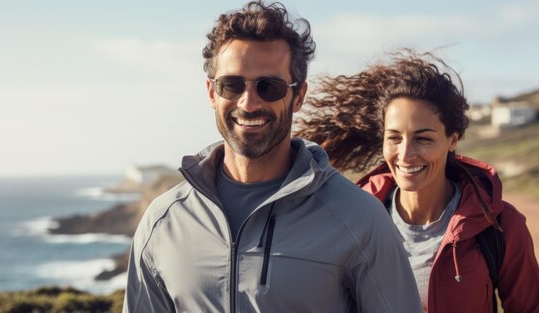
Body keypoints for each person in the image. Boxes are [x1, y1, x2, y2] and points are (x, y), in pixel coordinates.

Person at [122, 2, 422, 312]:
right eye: (232, 85)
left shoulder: (360, 219)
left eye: (270, 87)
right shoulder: (163, 221)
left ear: (299, 96)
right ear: (212, 93)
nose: (249, 103)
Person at [295, 50, 539, 313]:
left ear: (453, 139)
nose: (405, 155)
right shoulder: (352, 219)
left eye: (424, 139)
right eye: (394, 138)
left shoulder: (499, 225)